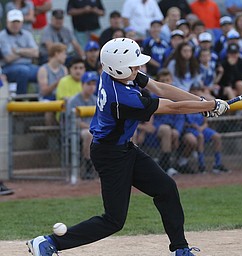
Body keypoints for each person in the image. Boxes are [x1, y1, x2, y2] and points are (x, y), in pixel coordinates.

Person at [27, 37, 229, 256]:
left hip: (124, 148)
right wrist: (208, 105)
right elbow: (173, 107)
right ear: (120, 69)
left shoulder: (112, 73)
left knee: (166, 188)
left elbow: (159, 87)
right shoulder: (123, 98)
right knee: (113, 220)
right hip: (110, 155)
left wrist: (202, 102)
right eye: (134, 65)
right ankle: (49, 243)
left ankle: (180, 249)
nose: (139, 68)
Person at [67, 71, 98, 180]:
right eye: (88, 84)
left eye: (93, 84)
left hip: (94, 130)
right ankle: (88, 168)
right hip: (76, 132)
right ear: (82, 85)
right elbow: (75, 121)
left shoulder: (96, 100)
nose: (91, 87)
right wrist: (90, 127)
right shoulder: (74, 100)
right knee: (88, 134)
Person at [0, 9, 39, 95]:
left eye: (18, 22)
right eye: (13, 22)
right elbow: (8, 58)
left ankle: (42, 100)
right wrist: (27, 52)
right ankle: (21, 100)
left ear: (22, 22)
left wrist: (18, 51)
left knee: (42, 71)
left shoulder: (27, 34)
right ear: (7, 22)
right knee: (23, 71)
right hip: (8, 67)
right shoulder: (2, 36)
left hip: (28, 65)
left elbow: (36, 53)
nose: (15, 25)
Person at [37, 43, 68, 125]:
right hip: (47, 98)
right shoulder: (43, 69)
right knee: (49, 108)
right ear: (57, 54)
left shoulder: (64, 69)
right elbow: (44, 91)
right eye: (64, 54)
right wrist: (57, 83)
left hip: (59, 96)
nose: (65, 56)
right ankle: (50, 134)